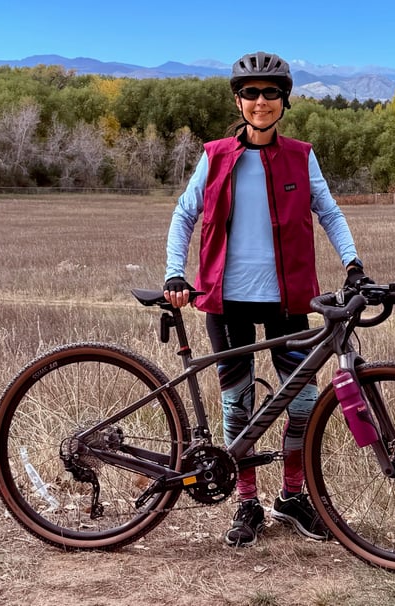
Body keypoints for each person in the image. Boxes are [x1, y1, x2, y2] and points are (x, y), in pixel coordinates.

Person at [162, 51, 369, 547]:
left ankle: (292, 497)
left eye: (270, 93)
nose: (260, 101)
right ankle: (247, 502)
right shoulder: (214, 155)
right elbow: (183, 214)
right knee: (239, 408)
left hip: (286, 300)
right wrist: (175, 271)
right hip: (225, 300)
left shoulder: (301, 154)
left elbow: (330, 212)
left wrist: (354, 263)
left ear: (284, 102)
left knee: (302, 405)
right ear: (239, 100)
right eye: (251, 93)